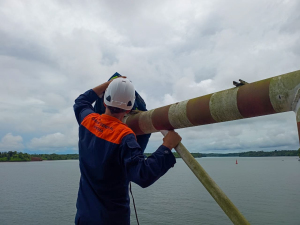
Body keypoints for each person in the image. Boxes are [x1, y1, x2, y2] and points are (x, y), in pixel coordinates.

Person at [73, 77, 182, 225]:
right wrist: (167, 146)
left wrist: (108, 84)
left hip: (84, 216)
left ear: (104, 101)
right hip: (111, 219)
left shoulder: (88, 120)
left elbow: (81, 101)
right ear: (129, 109)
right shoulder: (124, 136)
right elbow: (144, 174)